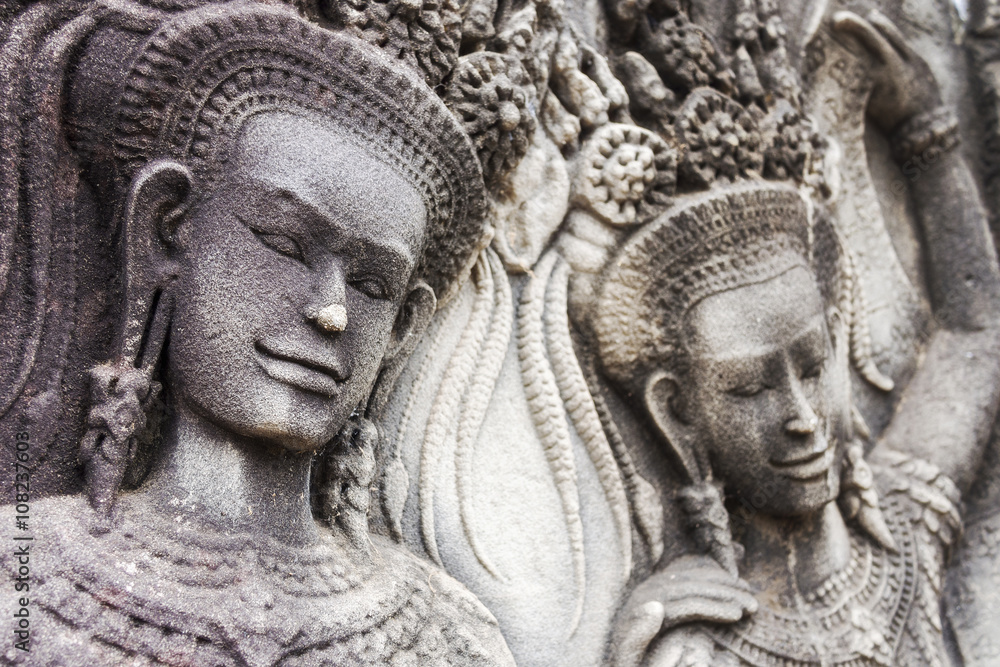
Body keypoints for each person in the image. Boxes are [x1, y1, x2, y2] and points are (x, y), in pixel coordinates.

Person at [0, 1, 513, 664]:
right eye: (283, 244)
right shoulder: (24, 585)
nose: (331, 312)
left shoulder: (452, 637)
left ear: (403, 327)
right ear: (167, 233)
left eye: (372, 286)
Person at [597, 11, 1000, 667]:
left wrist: (929, 130)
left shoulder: (903, 536)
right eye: (751, 387)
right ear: (678, 414)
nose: (804, 419)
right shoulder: (700, 648)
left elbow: (974, 331)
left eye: (813, 367)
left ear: (839, 341)